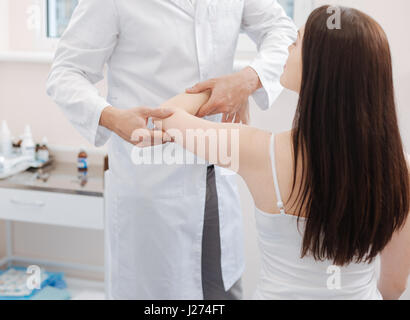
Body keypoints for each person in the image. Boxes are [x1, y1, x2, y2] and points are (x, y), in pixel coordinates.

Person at [153, 6, 410, 299]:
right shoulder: (399, 171)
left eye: (297, 42)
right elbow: (395, 284)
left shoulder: (260, 152)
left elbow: (166, 116)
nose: (287, 49)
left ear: (320, 67)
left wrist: (229, 85)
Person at [46, 0, 296, 299]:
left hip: (216, 174)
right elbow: (66, 72)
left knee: (222, 292)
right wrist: (112, 117)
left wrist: (246, 80)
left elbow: (282, 29)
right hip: (151, 184)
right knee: (158, 295)